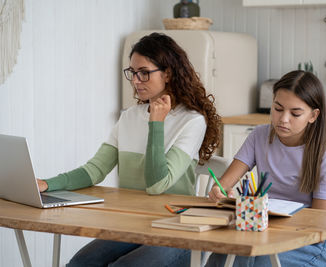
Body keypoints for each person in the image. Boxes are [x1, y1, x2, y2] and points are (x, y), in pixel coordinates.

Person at [36, 32, 221, 267]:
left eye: (144, 72)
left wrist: (156, 123)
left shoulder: (192, 121)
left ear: (168, 73)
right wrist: (47, 184)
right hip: (133, 224)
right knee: (80, 264)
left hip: (178, 230)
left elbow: (156, 186)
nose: (135, 80)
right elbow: (95, 170)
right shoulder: (129, 118)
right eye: (132, 73)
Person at [206, 70, 326, 267]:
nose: (283, 119)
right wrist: (219, 192)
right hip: (262, 232)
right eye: (278, 108)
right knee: (222, 257)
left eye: (295, 113)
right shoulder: (258, 136)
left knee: (258, 262)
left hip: (306, 242)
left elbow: (317, 225)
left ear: (313, 115)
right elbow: (223, 185)